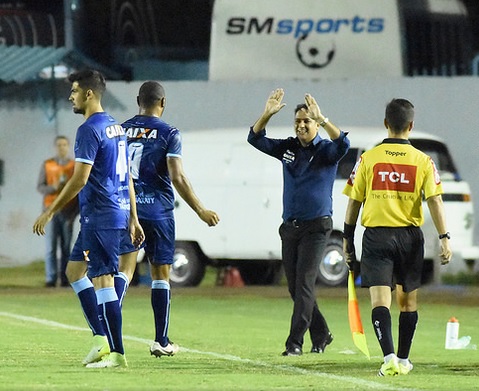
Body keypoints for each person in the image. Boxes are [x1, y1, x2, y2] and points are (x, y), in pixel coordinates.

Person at [33, 69, 144, 368]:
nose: (71, 96)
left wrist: (50, 210)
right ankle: (99, 339)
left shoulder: (88, 129)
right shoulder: (116, 128)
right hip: (112, 212)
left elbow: (79, 178)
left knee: (104, 280)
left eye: (74, 91)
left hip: (101, 215)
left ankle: (116, 352)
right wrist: (133, 217)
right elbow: (129, 178)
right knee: (73, 272)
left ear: (89, 94)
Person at [342, 98, 452, 376]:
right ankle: (403, 359)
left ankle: (389, 356)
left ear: (385, 124)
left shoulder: (369, 158)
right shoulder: (423, 161)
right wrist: (444, 237)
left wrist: (347, 237)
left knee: (380, 301)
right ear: (411, 125)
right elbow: (435, 201)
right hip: (409, 238)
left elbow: (354, 201)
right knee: (408, 302)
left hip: (377, 237)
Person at [120, 81, 219, 357]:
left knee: (124, 272)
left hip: (127, 210)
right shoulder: (169, 133)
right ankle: (160, 341)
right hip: (158, 212)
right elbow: (177, 176)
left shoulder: (120, 130)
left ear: (138, 99)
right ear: (162, 103)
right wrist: (201, 210)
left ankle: (108, 336)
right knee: (160, 274)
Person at [247, 88, 350, 356]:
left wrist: (324, 119)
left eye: (307, 121)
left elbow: (344, 145)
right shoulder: (288, 148)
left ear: (315, 124)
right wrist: (266, 114)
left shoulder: (326, 150)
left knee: (304, 284)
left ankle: (294, 343)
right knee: (295, 288)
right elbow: (255, 139)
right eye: (298, 121)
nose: (302, 125)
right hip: (290, 226)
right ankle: (322, 333)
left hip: (317, 226)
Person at [37, 135, 78, 287]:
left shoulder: (74, 166)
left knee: (67, 247)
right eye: (59, 145)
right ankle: (51, 279)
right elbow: (40, 186)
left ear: (68, 147)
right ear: (55, 147)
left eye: (64, 145)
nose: (62, 148)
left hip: (68, 211)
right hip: (50, 211)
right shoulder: (47, 164)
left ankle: (65, 278)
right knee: (51, 247)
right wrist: (52, 188)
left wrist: (75, 213)